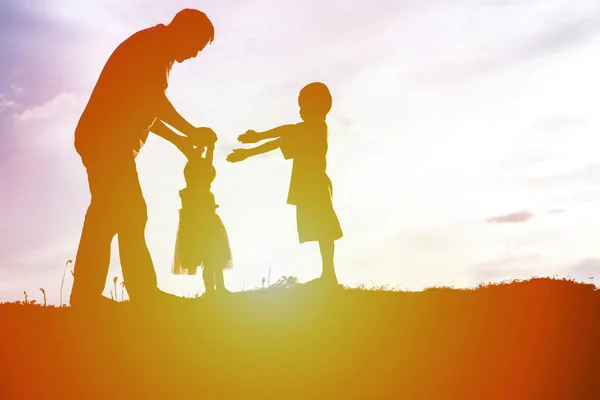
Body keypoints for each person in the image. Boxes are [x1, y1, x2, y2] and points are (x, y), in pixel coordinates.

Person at [71, 9, 217, 308]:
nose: (194, 54)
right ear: (184, 31)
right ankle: (137, 294)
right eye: (196, 46)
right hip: (106, 141)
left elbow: (145, 106)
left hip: (107, 142)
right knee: (129, 213)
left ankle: (89, 296)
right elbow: (153, 100)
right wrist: (191, 131)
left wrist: (181, 140)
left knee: (109, 215)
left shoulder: (155, 46)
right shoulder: (154, 48)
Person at [227, 82, 343, 286]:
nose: (300, 111)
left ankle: (329, 276)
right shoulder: (311, 127)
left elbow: (283, 136)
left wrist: (251, 149)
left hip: (314, 185)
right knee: (321, 230)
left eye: (303, 106)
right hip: (311, 185)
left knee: (324, 231)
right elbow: (286, 133)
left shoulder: (314, 127)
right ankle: (328, 275)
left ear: (318, 107)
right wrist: (257, 139)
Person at [170, 138, 232, 295]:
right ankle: (215, 290)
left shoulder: (188, 191)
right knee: (213, 259)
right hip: (206, 227)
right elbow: (206, 166)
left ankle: (215, 290)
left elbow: (205, 166)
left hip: (197, 227)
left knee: (212, 259)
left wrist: (205, 151)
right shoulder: (201, 188)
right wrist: (209, 149)